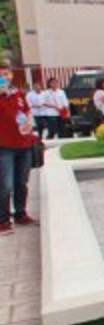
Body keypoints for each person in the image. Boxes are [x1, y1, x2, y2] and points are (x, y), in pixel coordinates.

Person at [0, 63, 37, 235]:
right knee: (5, 185)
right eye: (1, 75)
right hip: (4, 147)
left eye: (6, 74)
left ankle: (20, 213)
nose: (4, 78)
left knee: (21, 182)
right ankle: (3, 220)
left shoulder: (19, 94)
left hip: (24, 144)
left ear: (11, 75)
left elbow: (27, 111)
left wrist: (29, 122)